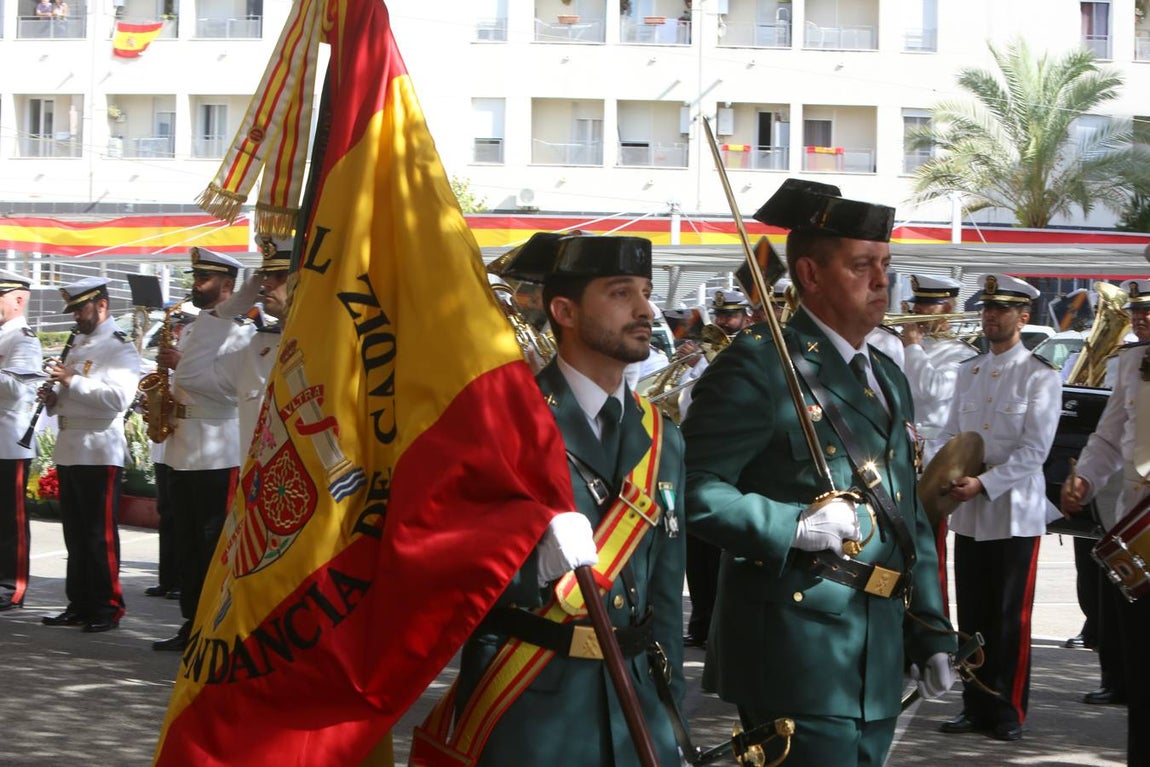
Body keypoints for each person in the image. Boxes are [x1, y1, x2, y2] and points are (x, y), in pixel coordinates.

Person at [683, 178, 955, 767]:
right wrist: (791, 525)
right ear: (810, 275)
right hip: (794, 648)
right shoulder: (759, 365)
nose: (882, 281)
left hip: (874, 647)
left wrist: (931, 629)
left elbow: (908, 514)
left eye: (885, 263)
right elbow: (690, 489)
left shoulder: (886, 374)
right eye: (862, 266)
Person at [451, 234, 687, 765]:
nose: (646, 309)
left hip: (635, 711)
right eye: (622, 293)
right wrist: (529, 563)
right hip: (532, 704)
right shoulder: (506, 421)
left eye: (646, 293)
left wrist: (672, 713)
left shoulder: (662, 435)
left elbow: (666, 593)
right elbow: (442, 558)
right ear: (565, 311)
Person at [937, 273, 1061, 742]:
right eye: (988, 309)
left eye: (1002, 310)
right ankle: (973, 704)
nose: (991, 316)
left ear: (1023, 317)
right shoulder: (967, 371)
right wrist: (940, 475)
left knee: (1010, 619)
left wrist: (982, 482)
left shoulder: (1040, 375)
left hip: (1012, 511)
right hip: (969, 512)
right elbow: (951, 436)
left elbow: (1034, 452)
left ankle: (1008, 710)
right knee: (972, 616)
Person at [152, 248, 254, 652]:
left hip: (215, 450)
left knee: (214, 545)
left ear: (228, 287)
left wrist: (182, 369)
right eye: (195, 277)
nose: (194, 285)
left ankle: (215, 625)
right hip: (181, 448)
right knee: (188, 543)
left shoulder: (241, 331)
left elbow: (230, 392)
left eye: (203, 279)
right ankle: (191, 623)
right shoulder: (193, 328)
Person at [1062, 279, 1150, 728]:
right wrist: (1085, 478)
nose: (1141, 319)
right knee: (1137, 646)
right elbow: (1109, 436)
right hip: (1135, 523)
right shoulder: (1132, 361)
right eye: (1138, 311)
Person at [39, 277, 141, 633]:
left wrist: (70, 381)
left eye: (81, 309)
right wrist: (53, 399)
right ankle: (79, 602)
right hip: (71, 447)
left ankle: (107, 606)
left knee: (100, 535)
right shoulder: (79, 343)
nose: (76, 318)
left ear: (101, 305)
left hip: (99, 449)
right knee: (76, 535)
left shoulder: (120, 347)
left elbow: (118, 400)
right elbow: (72, 394)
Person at [900, 274, 973, 610]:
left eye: (927, 306)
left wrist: (912, 346)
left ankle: (933, 625)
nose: (918, 312)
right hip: (899, 461)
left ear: (947, 309)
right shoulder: (909, 347)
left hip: (931, 465)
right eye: (916, 305)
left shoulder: (959, 354)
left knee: (930, 556)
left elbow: (929, 394)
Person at [0, 270, 42, 612]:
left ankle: (12, 587)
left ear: (18, 299)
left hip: (9, 443)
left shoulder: (24, 339)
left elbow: (15, 390)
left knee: (10, 520)